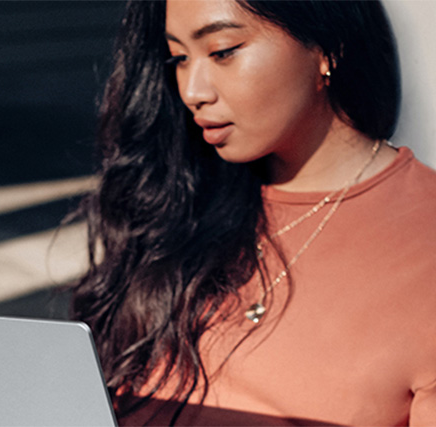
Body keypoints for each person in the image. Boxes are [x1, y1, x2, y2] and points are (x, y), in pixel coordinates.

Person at [70, 1, 436, 425]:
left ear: (327, 48)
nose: (193, 91)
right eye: (179, 59)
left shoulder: (422, 239)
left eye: (223, 51)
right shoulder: (176, 201)